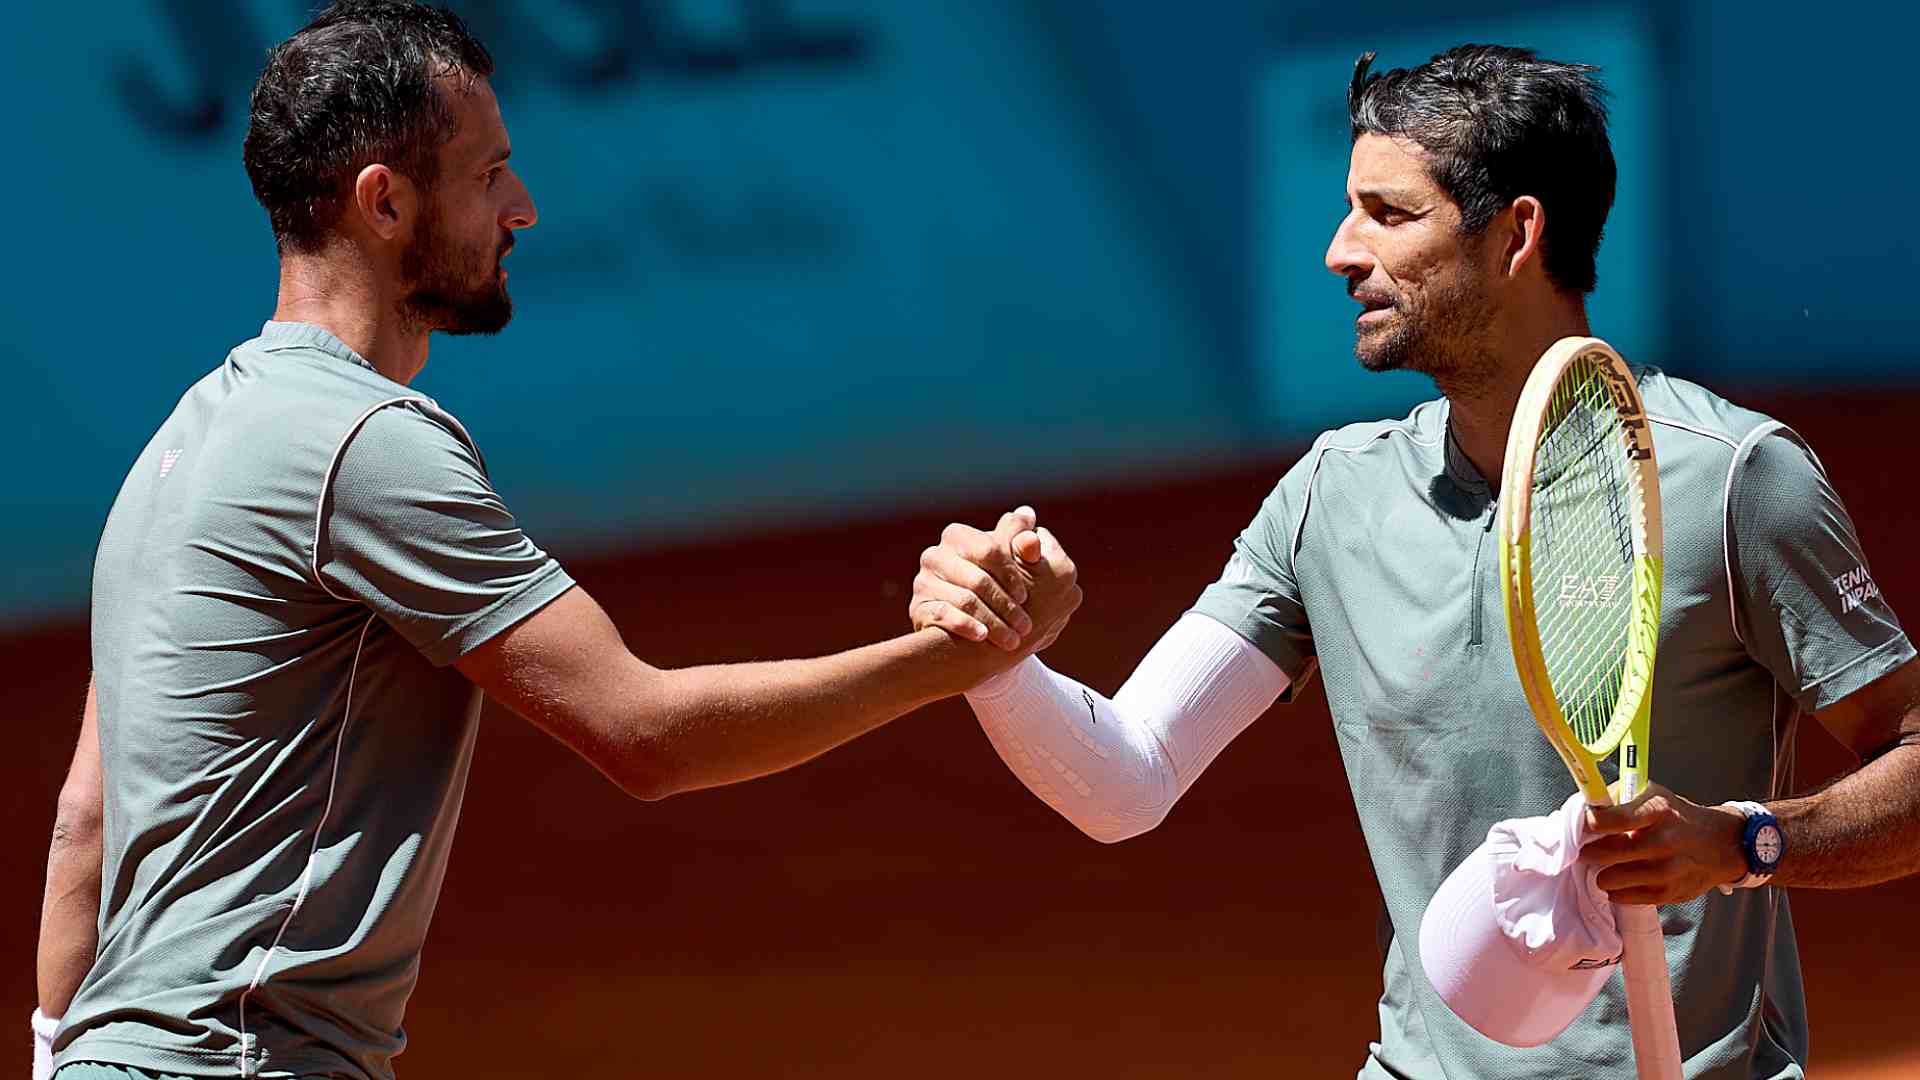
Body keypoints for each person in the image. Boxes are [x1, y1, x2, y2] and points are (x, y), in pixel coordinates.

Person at [32, 4, 1077, 1079]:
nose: (523, 209)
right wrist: (958, 659)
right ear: (384, 202)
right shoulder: (366, 444)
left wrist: (55, 1050)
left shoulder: (169, 456)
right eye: (489, 175)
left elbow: (84, 827)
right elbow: (644, 736)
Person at [909, 44, 1920, 1079]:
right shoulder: (1328, 498)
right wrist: (996, 654)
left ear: (1517, 233)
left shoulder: (1736, 480)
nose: (1341, 252)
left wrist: (1743, 844)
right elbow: (1127, 780)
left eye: (1389, 216)